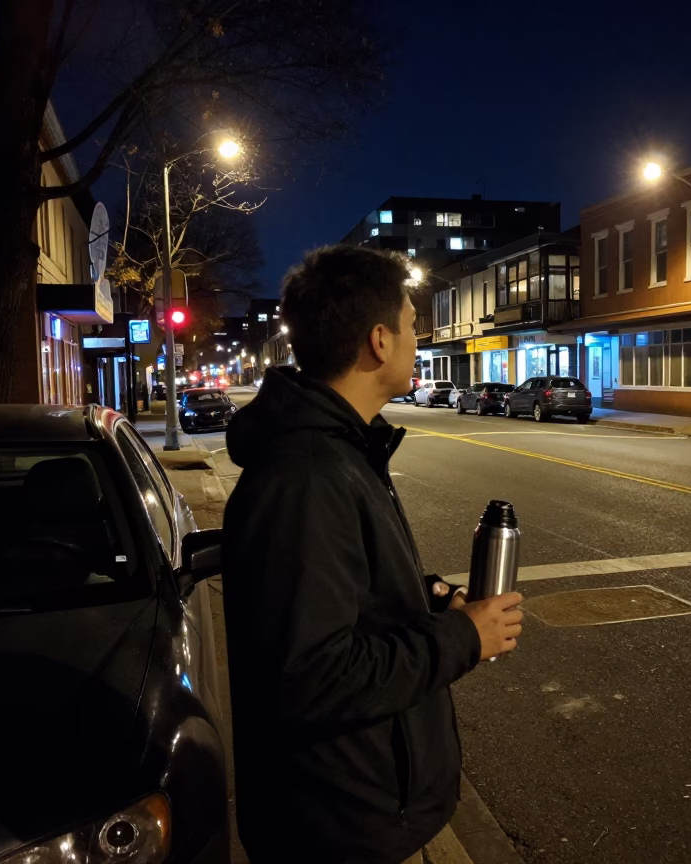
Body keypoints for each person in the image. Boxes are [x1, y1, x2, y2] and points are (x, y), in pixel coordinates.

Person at [222, 245, 524, 864]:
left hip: (354, 812)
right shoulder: (307, 473)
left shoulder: (340, 451)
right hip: (340, 826)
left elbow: (347, 592)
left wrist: (432, 599)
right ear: (380, 341)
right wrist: (463, 638)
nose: (419, 338)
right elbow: (312, 676)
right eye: (413, 325)